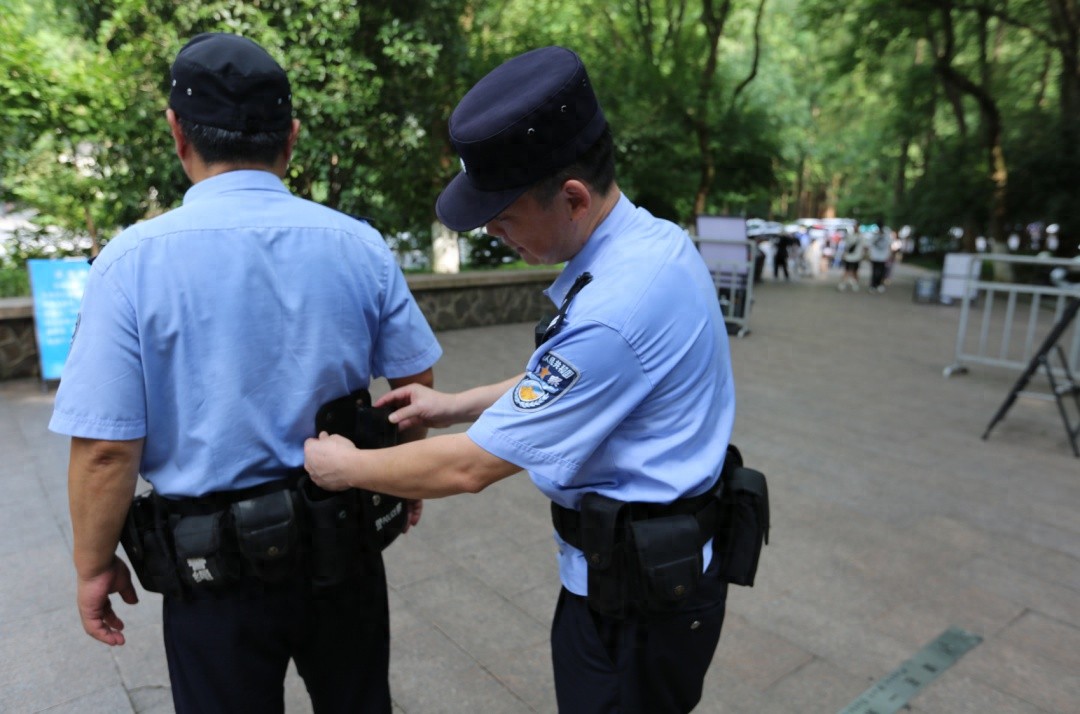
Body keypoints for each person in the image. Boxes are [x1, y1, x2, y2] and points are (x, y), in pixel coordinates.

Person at [305, 46, 736, 714]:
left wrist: (349, 467)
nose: (496, 234)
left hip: (639, 606)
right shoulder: (650, 243)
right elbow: (564, 383)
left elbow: (469, 469)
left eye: (503, 217)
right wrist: (452, 403)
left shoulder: (617, 309)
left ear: (571, 196)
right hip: (653, 575)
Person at [49, 32, 442, 714]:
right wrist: (403, 474)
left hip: (212, 572)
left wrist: (93, 563)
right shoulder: (357, 243)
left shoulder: (130, 263)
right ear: (290, 137)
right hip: (341, 545)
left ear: (178, 133)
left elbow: (108, 449)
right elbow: (414, 385)